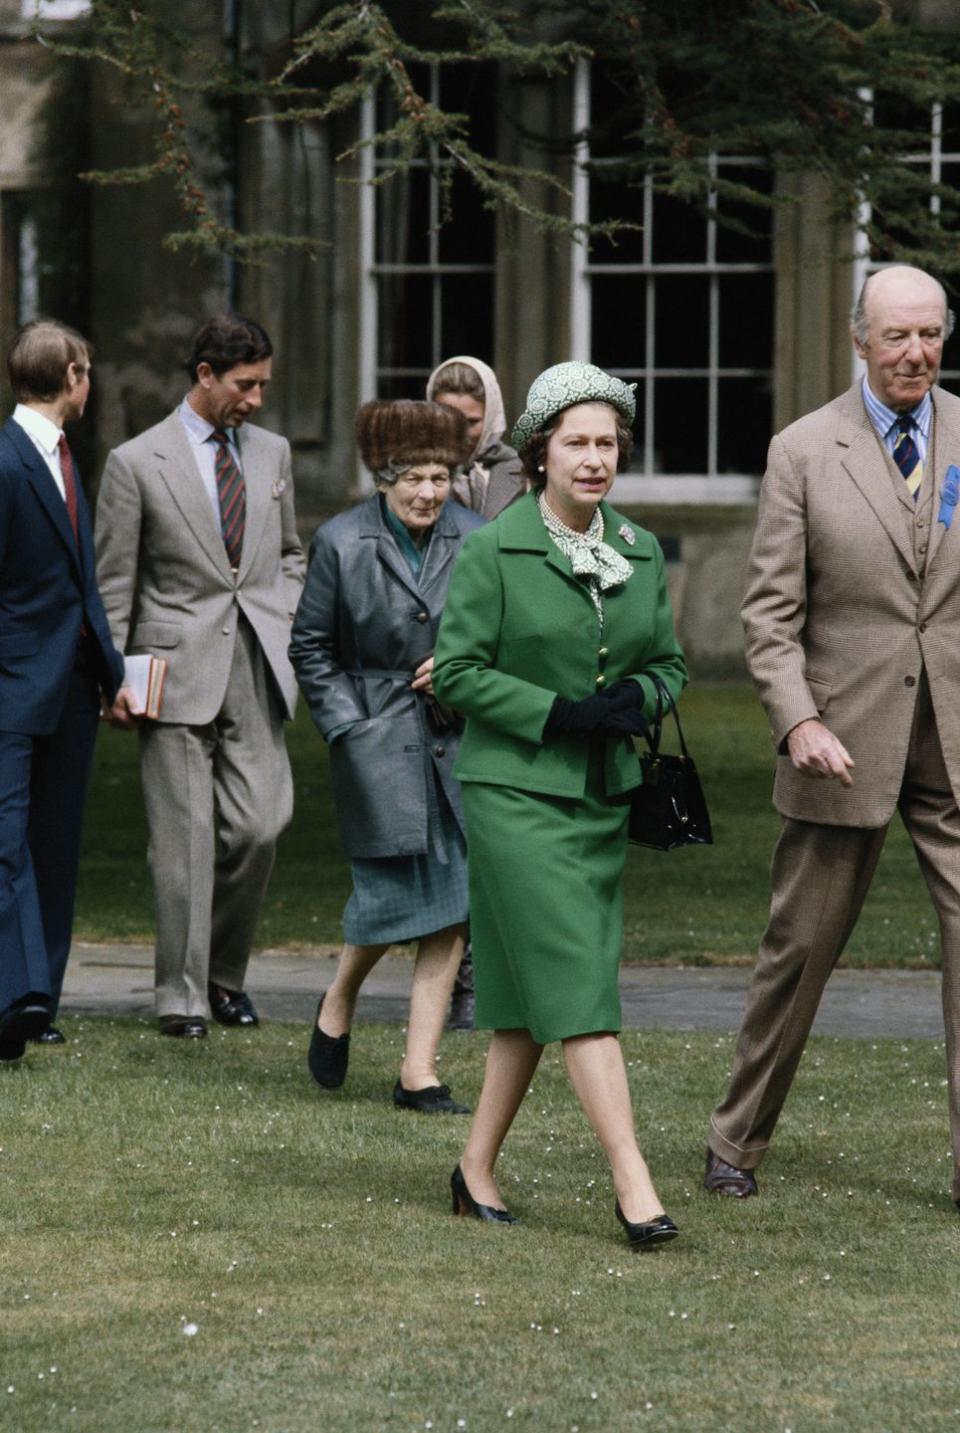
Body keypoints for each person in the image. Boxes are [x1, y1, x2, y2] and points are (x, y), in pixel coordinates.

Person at [705, 264, 960, 1213]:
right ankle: (733, 1140)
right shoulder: (804, 450)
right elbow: (768, 618)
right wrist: (798, 717)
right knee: (797, 951)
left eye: (930, 334)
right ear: (859, 340)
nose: (915, 353)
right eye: (896, 336)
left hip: (955, 745)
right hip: (841, 745)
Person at [433, 361, 687, 1248]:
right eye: (576, 443)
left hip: (601, 800)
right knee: (581, 988)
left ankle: (473, 1168)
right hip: (513, 796)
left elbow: (669, 664)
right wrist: (558, 713)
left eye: (607, 444)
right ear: (540, 452)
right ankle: (635, 1184)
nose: (594, 459)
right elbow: (457, 672)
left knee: (525, 1006)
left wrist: (639, 702)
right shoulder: (491, 547)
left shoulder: (642, 549)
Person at [95, 313, 305, 1039]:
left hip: (256, 662)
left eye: (264, 386)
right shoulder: (134, 461)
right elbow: (114, 582)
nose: (256, 399)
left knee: (260, 825)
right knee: (182, 842)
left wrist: (287, 610)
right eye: (245, 385)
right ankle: (182, 995)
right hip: (171, 670)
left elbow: (291, 555)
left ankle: (223, 973)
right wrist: (113, 676)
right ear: (206, 375)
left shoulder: (274, 453)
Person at [290, 399, 483, 1113]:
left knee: (454, 906)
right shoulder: (340, 541)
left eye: (440, 476)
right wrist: (348, 726)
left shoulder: (478, 534)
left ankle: (417, 1072)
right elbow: (311, 648)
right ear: (383, 477)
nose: (430, 492)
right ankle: (338, 997)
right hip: (376, 739)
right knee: (383, 899)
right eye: (414, 478)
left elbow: (500, 630)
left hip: (459, 736)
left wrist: (464, 665)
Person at [0, 320, 123, 1058]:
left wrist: (110, 673)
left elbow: (80, 581)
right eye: (89, 372)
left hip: (72, 687)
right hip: (12, 686)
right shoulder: (7, 461)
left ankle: (37, 999)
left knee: (54, 845)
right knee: (7, 844)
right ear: (73, 373)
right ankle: (13, 998)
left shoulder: (64, 455)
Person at [426, 356, 527, 1029]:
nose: (460, 436)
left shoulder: (524, 470)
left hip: (506, 660)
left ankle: (488, 978)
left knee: (498, 836)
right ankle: (458, 979)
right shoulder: (415, 472)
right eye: (446, 422)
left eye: (470, 421)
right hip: (432, 664)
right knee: (454, 838)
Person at [426, 355, 526, 519]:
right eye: (447, 420)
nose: (458, 433)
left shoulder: (526, 473)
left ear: (490, 419)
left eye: (471, 422)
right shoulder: (412, 475)